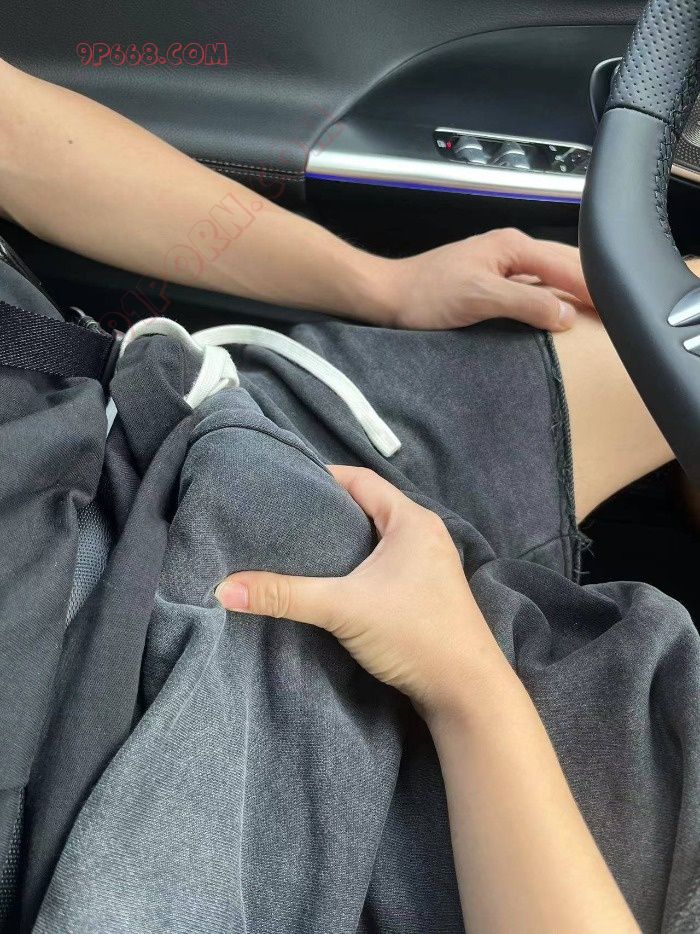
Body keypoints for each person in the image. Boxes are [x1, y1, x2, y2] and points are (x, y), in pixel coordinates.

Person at [0, 57, 695, 933]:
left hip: (192, 444)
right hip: (289, 784)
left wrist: (384, 285)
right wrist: (467, 684)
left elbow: (12, 130)